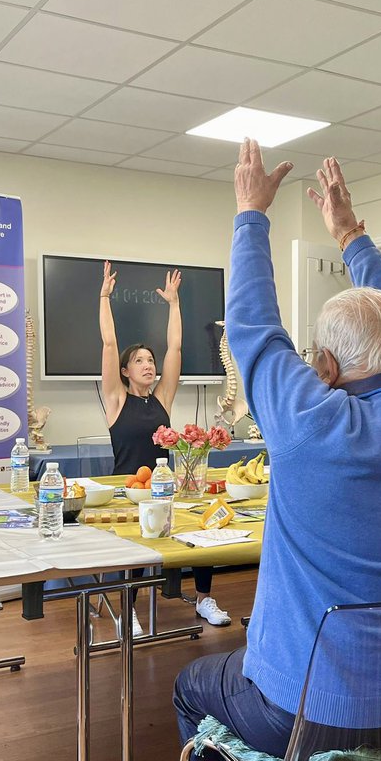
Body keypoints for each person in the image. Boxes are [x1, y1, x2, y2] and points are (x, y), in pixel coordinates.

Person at [173, 143, 381, 761]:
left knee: (194, 690)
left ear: (328, 366)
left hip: (319, 719)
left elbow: (249, 326)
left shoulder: (312, 423)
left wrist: (251, 214)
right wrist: (350, 233)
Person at [98, 261, 230, 629]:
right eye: (139, 360)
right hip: (127, 491)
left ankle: (204, 599)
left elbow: (175, 346)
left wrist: (174, 304)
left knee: (200, 534)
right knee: (136, 553)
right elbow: (109, 343)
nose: (148, 365)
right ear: (125, 371)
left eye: (150, 360)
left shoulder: (162, 400)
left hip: (164, 487)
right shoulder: (115, 400)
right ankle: (129, 614)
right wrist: (104, 297)